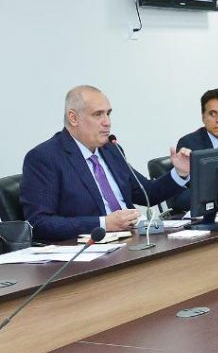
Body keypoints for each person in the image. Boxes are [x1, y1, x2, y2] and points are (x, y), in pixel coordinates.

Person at [21, 85, 190, 242]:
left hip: (133, 239)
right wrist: (103, 224)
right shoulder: (45, 157)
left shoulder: (111, 150)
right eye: (98, 114)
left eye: (108, 114)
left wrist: (180, 173)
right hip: (89, 250)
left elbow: (146, 193)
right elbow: (40, 223)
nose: (107, 122)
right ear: (73, 118)